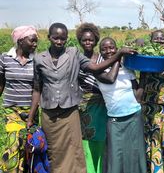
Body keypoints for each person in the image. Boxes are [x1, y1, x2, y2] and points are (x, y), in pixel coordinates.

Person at [26, 23, 136, 173]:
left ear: (67, 38)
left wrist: (119, 55)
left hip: (70, 110)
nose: (59, 41)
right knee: (54, 150)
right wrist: (31, 117)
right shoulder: (39, 59)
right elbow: (37, 88)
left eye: (63, 38)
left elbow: (96, 69)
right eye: (55, 38)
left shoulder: (73, 54)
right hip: (50, 113)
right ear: (48, 37)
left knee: (75, 149)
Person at [96, 37, 147, 173]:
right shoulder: (98, 69)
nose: (108, 51)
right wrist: (118, 56)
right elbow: (111, 79)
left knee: (135, 155)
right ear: (100, 52)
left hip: (134, 117)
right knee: (116, 157)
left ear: (116, 48)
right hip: (115, 120)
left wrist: (143, 74)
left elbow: (137, 96)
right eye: (104, 49)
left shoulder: (127, 67)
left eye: (112, 47)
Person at [137, 29, 164, 173]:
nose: (159, 40)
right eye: (156, 38)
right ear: (151, 40)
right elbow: (137, 43)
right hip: (148, 103)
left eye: (162, 38)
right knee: (151, 135)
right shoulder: (145, 55)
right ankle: (153, 168)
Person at [0, 26, 38, 172]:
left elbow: (37, 89)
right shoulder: (5, 58)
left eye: (36, 42)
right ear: (20, 41)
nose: (35, 44)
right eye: (32, 41)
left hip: (31, 110)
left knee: (28, 147)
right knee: (14, 143)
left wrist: (31, 116)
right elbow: (1, 84)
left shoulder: (37, 61)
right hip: (11, 110)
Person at [76, 23, 107, 173]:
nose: (87, 43)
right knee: (86, 143)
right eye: (84, 40)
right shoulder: (76, 59)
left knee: (101, 141)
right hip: (85, 107)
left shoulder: (103, 58)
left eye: (90, 40)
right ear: (80, 41)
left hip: (103, 106)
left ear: (96, 41)